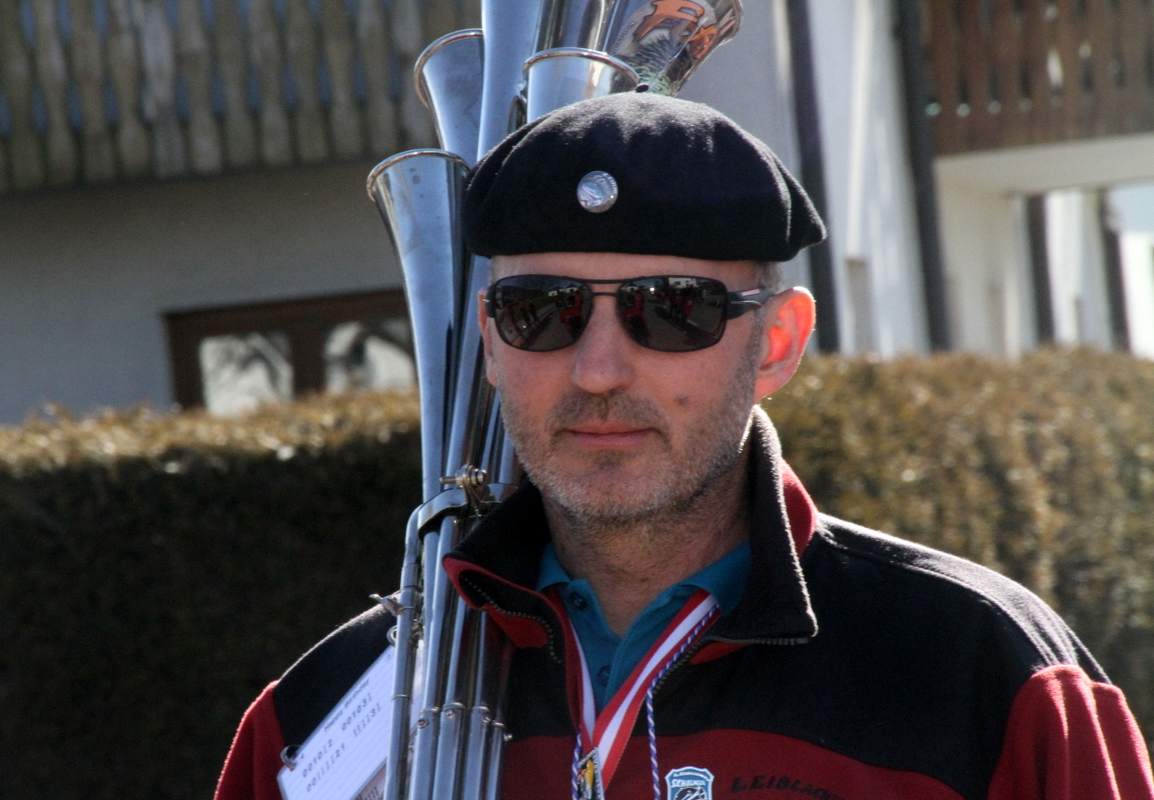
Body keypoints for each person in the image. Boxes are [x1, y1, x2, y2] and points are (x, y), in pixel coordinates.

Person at [216, 93, 1154, 800]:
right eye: (542, 310)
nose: (597, 370)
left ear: (776, 342)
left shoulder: (985, 673)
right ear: (491, 343)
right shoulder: (314, 721)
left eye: (672, 311)